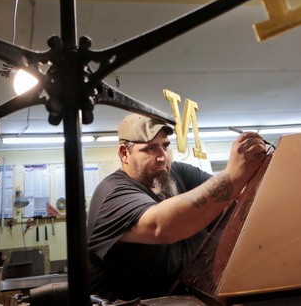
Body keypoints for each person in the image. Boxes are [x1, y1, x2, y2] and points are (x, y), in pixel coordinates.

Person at [86, 114, 267, 300]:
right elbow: (162, 226)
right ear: (125, 153)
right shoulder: (112, 193)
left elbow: (233, 195)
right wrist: (232, 175)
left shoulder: (177, 172)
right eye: (150, 149)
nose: (162, 157)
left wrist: (263, 167)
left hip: (191, 297)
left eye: (165, 146)